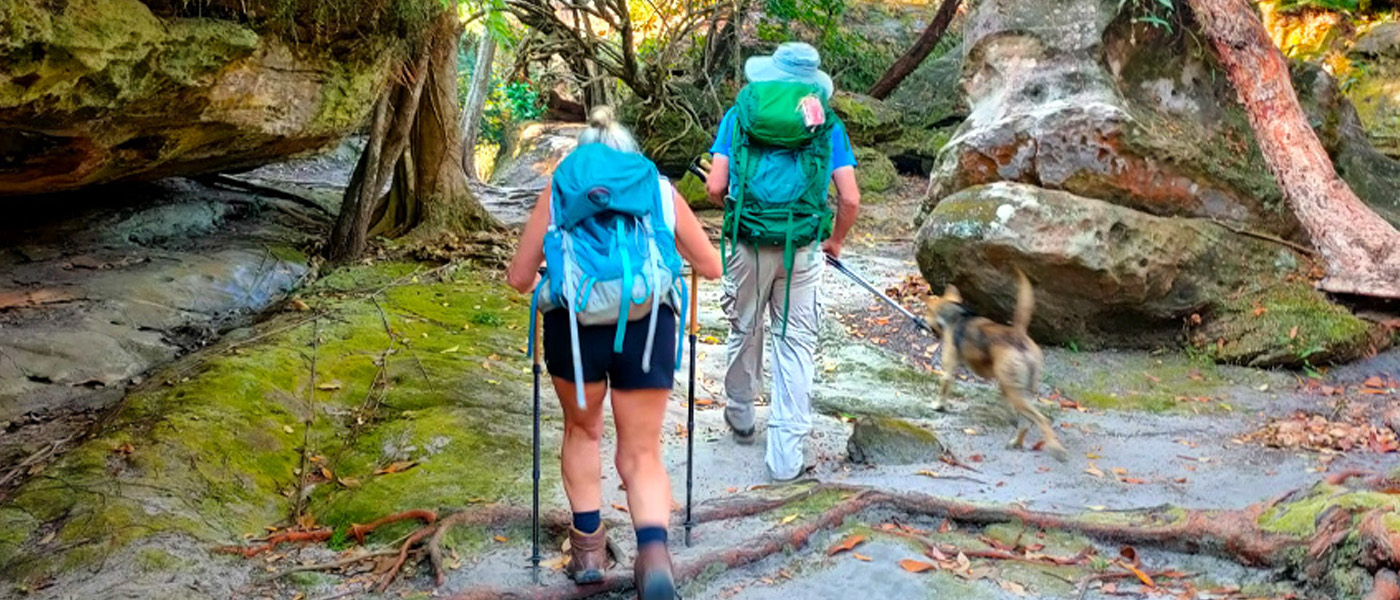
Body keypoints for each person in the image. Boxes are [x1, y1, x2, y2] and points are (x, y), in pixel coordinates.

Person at [507, 107, 722, 599]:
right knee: (643, 451)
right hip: (648, 329)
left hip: (573, 331)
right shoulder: (659, 189)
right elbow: (710, 267)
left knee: (583, 432)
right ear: (632, 154)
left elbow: (520, 279)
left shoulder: (559, 188)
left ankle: (587, 550)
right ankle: (654, 557)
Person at [704, 42, 861, 482]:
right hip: (804, 247)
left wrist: (738, 207)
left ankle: (740, 413)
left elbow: (715, 186)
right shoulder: (825, 121)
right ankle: (786, 459)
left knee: (745, 325)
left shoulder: (741, 115)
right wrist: (835, 241)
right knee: (795, 343)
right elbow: (849, 197)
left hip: (748, 242)